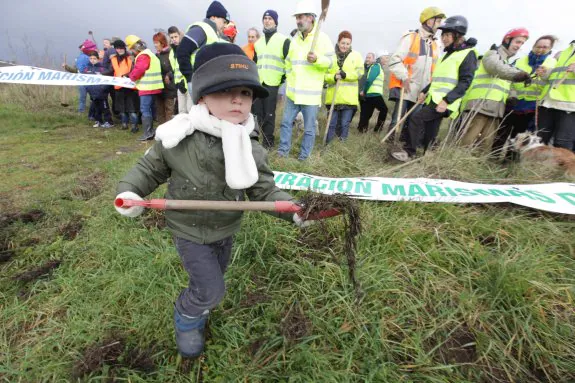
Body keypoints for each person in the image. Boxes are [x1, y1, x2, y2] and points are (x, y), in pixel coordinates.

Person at [114, 43, 332, 358]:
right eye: (225, 92)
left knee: (214, 279)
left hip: (226, 228)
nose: (237, 100)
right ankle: (187, 319)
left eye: (245, 93)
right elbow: (148, 170)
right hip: (189, 229)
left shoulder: (251, 145)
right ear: (202, 96)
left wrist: (295, 210)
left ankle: (200, 304)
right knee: (212, 289)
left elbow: (264, 190)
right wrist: (130, 192)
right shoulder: (179, 136)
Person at [391, 16, 478, 162]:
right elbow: (437, 79)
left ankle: (409, 152)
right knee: (431, 128)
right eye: (443, 35)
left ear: (458, 36)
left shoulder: (467, 54)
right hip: (434, 98)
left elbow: (465, 82)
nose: (444, 38)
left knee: (416, 118)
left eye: (448, 35)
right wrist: (425, 91)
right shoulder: (449, 54)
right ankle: (428, 154)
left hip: (445, 101)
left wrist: (446, 100)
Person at [277, 0, 334, 160]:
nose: (298, 20)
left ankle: (304, 157)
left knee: (309, 129)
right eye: (297, 17)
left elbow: (331, 63)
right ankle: (283, 153)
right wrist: (289, 78)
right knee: (286, 124)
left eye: (300, 17)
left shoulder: (322, 38)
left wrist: (317, 59)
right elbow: (289, 62)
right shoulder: (295, 39)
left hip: (310, 96)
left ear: (310, 17)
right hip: (293, 94)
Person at [459, 28, 532, 151]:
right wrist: (519, 74)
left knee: (486, 145)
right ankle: (456, 165)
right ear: (507, 40)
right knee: (467, 141)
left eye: (522, 44)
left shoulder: (507, 63)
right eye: (517, 42)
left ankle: (475, 167)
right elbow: (495, 68)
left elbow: (508, 83)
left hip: (496, 109)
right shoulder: (492, 54)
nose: (519, 46)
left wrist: (512, 96)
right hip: (479, 105)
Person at [492, 35, 558, 156]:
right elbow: (509, 79)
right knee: (501, 133)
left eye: (545, 47)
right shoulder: (520, 60)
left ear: (550, 49)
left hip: (533, 106)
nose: (540, 49)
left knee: (520, 136)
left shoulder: (553, 63)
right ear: (533, 46)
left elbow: (553, 83)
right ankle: (493, 158)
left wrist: (546, 74)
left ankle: (510, 161)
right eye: (538, 46)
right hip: (514, 102)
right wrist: (512, 95)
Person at [388, 7, 446, 142]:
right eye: (437, 21)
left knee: (414, 122)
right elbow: (394, 60)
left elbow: (436, 69)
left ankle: (405, 146)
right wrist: (404, 77)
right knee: (397, 120)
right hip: (406, 87)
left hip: (422, 92)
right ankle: (390, 145)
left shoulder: (437, 44)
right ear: (428, 21)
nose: (439, 25)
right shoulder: (410, 37)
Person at [177, 0, 230, 102]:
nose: (225, 25)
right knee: (200, 115)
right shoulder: (201, 29)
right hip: (198, 82)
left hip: (208, 82)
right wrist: (190, 79)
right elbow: (182, 51)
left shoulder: (214, 34)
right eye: (224, 21)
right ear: (213, 17)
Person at [252, 9, 290, 149]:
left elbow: (289, 62)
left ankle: (268, 143)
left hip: (273, 83)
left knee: (269, 114)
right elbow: (255, 62)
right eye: (265, 18)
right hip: (258, 83)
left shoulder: (283, 40)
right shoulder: (258, 43)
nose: (267, 21)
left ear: (275, 22)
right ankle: (256, 140)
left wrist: (282, 78)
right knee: (257, 113)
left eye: (270, 19)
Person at [324, 31, 364, 143]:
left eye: (347, 43)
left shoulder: (356, 56)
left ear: (350, 44)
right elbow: (324, 75)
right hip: (333, 98)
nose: (345, 46)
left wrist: (346, 75)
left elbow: (360, 73)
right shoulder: (330, 56)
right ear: (338, 42)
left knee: (344, 124)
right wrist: (333, 77)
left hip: (348, 98)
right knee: (331, 124)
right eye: (343, 43)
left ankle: (341, 146)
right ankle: (328, 145)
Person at [537, 39, 575, 151]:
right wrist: (544, 73)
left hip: (570, 106)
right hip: (549, 102)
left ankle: (561, 169)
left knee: (562, 143)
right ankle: (536, 168)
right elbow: (553, 75)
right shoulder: (566, 51)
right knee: (540, 139)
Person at [126, 35, 164, 141]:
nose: (132, 51)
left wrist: (131, 77)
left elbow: (139, 69)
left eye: (132, 48)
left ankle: (147, 132)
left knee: (145, 109)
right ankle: (150, 131)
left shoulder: (143, 56)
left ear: (134, 47)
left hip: (147, 87)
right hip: (153, 86)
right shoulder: (149, 53)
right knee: (149, 109)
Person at [109, 39, 140, 132]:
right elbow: (111, 70)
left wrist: (126, 75)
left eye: (121, 48)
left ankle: (134, 126)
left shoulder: (130, 58)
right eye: (117, 48)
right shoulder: (113, 59)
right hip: (118, 87)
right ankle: (124, 124)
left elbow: (135, 70)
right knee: (121, 108)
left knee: (131, 109)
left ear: (124, 48)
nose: (119, 50)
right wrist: (100, 75)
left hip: (130, 87)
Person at [357, 51, 389, 133]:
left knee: (366, 114)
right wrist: (364, 91)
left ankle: (361, 131)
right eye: (386, 57)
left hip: (370, 95)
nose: (387, 60)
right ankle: (377, 130)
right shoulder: (376, 66)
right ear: (381, 58)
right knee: (384, 109)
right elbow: (369, 80)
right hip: (374, 94)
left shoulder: (378, 67)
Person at [62, 39, 96, 113]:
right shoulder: (80, 59)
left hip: (90, 81)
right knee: (84, 97)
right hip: (83, 81)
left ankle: (91, 112)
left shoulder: (91, 57)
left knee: (91, 98)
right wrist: (66, 67)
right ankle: (83, 112)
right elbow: (76, 70)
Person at [84, 52, 114, 128]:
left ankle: (109, 122)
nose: (92, 60)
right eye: (91, 58)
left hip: (102, 92)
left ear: (98, 59)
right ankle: (98, 121)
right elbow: (84, 79)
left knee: (105, 107)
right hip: (92, 92)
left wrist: (103, 88)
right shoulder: (87, 69)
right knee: (96, 108)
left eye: (94, 58)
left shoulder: (102, 68)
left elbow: (107, 80)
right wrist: (87, 88)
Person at [153, 32, 177, 124]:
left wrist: (169, 75)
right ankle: (161, 130)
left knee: (169, 110)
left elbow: (175, 67)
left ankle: (169, 131)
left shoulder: (171, 53)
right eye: (154, 43)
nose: (155, 45)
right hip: (159, 86)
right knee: (160, 110)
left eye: (157, 43)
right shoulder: (156, 56)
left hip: (169, 86)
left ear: (162, 43)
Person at [168, 26, 192, 114]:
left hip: (188, 83)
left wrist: (185, 82)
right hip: (179, 85)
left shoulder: (186, 48)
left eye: (175, 37)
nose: (174, 39)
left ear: (179, 36)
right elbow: (175, 69)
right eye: (172, 37)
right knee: (181, 111)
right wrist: (177, 83)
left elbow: (189, 66)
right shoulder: (171, 52)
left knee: (190, 110)